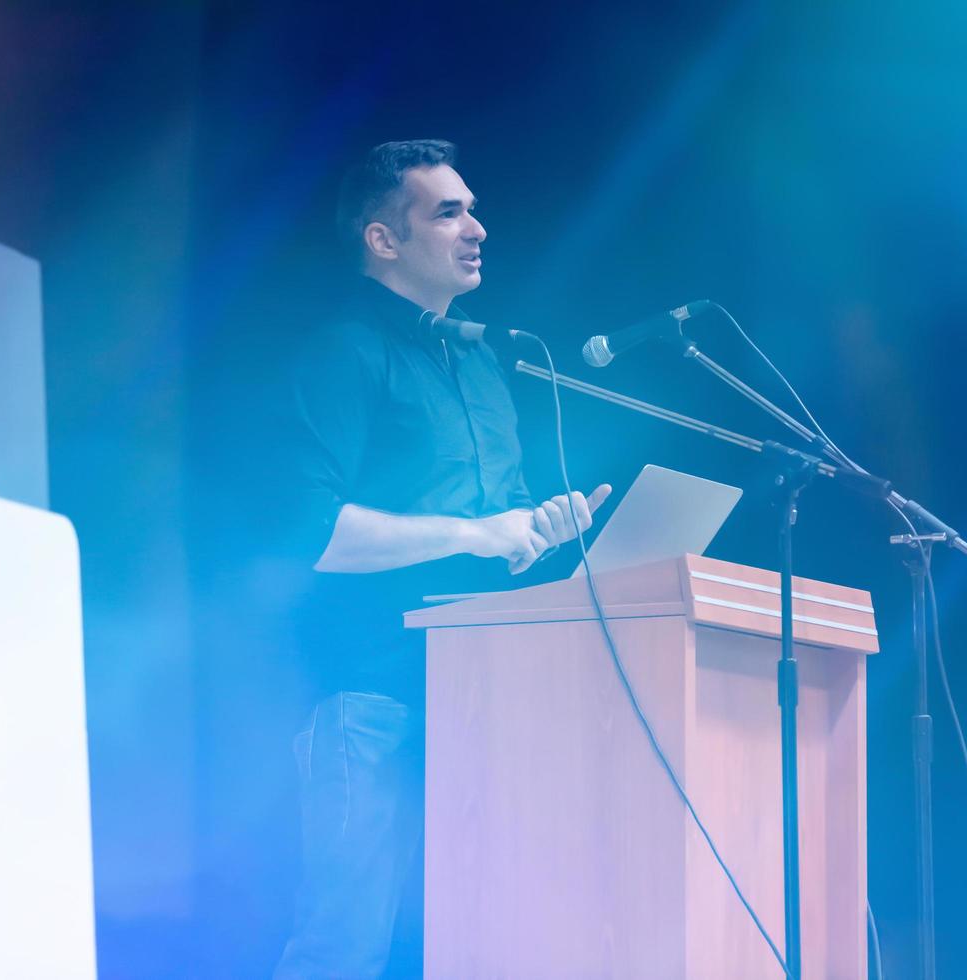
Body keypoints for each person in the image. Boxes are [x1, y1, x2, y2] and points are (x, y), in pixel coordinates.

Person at [275, 139, 610, 978]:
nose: (477, 228)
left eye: (473, 208)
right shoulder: (340, 351)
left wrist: (541, 527)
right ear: (383, 240)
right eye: (448, 212)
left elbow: (506, 532)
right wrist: (473, 533)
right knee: (346, 944)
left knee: (471, 941)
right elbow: (311, 534)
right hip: (373, 689)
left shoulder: (483, 364)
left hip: (490, 692)